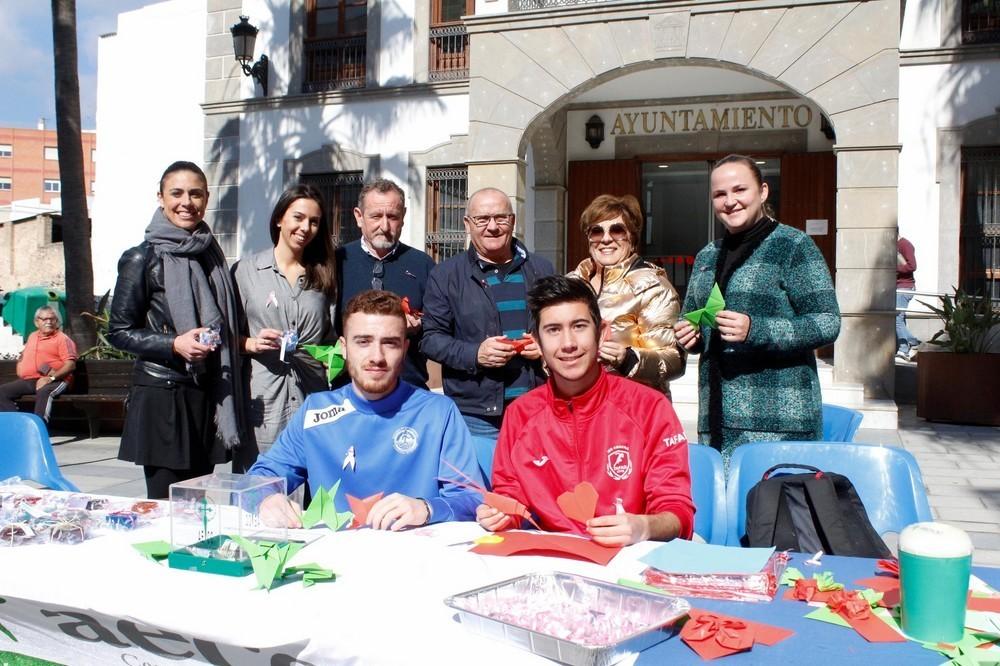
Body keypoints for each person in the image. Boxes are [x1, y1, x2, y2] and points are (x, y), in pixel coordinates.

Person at [477, 275, 694, 546]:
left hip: (627, 561)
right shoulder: (520, 414)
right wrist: (500, 514)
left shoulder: (649, 408)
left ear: (601, 332)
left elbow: (678, 512)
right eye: (553, 330)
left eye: (579, 326)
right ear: (537, 342)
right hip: (551, 560)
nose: (568, 343)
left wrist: (643, 526)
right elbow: (510, 496)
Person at [250, 290, 483, 529]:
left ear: (404, 348)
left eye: (390, 343)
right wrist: (266, 498)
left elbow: (473, 500)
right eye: (363, 341)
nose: (377, 357)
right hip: (333, 556)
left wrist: (426, 508)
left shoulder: (438, 413)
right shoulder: (315, 411)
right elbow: (260, 477)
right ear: (343, 347)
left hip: (414, 556)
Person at [674, 154, 840, 457]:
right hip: (715, 421)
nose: (730, 201)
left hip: (778, 425)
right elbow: (692, 318)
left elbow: (827, 322)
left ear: (762, 191)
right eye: (720, 194)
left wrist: (756, 329)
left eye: (740, 190)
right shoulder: (707, 256)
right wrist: (690, 336)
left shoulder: (793, 246)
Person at [109, 161, 245, 499]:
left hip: (206, 393)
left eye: (195, 194)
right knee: (166, 505)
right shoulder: (141, 258)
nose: (187, 202)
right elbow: (119, 331)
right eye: (177, 193)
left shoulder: (210, 255)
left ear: (206, 198)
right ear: (160, 197)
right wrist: (174, 343)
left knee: (196, 502)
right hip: (162, 396)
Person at [421, 187, 555, 468]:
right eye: (482, 219)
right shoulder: (446, 275)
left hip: (537, 408)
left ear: (513, 221)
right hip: (477, 417)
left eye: (500, 218)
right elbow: (430, 338)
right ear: (467, 224)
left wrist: (544, 347)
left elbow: (559, 327)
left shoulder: (542, 270)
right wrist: (474, 354)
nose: (492, 227)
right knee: (483, 500)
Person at [231, 184, 337, 472]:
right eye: (298, 218)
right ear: (280, 218)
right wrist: (249, 343)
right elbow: (223, 336)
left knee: (308, 493)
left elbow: (331, 341)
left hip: (311, 399)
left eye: (314, 222)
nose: (306, 228)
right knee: (258, 488)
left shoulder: (325, 275)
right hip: (263, 402)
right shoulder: (246, 272)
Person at [568, 194, 685, 396]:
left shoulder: (653, 287)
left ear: (632, 238)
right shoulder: (570, 284)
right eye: (596, 231)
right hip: (577, 406)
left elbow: (675, 360)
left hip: (632, 407)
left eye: (617, 230)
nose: (605, 239)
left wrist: (627, 358)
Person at [335, 178, 434, 388]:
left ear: (403, 217)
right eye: (376, 216)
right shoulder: (336, 263)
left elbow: (439, 325)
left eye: (392, 216)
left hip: (409, 389)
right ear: (358, 217)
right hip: (347, 390)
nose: (385, 226)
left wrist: (419, 325)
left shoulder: (423, 265)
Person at [0, 306, 77, 422]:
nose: (49, 322)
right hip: (31, 380)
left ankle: (39, 428)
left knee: (44, 391)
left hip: (58, 379)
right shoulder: (32, 336)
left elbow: (71, 365)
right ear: (36, 322)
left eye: (52, 319)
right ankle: (18, 425)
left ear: (56, 321)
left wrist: (50, 378)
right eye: (44, 319)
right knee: (2, 391)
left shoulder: (62, 339)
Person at [896, 236, 921, 361]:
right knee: (900, 318)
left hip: (904, 288)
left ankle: (914, 342)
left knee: (897, 319)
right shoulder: (897, 245)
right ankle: (903, 349)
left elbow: (912, 266)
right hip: (898, 287)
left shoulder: (905, 245)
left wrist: (894, 269)